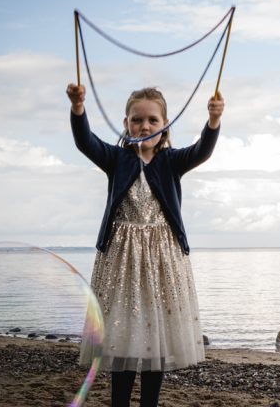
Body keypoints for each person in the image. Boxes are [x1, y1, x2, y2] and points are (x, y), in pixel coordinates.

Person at [68, 83, 224, 407]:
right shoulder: (116, 158)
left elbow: (202, 151)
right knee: (121, 338)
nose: (145, 126)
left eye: (153, 120)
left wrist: (212, 122)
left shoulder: (171, 161)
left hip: (162, 261)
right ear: (126, 125)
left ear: (165, 125)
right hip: (120, 261)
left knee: (158, 337)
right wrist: (79, 108)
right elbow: (86, 142)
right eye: (137, 120)